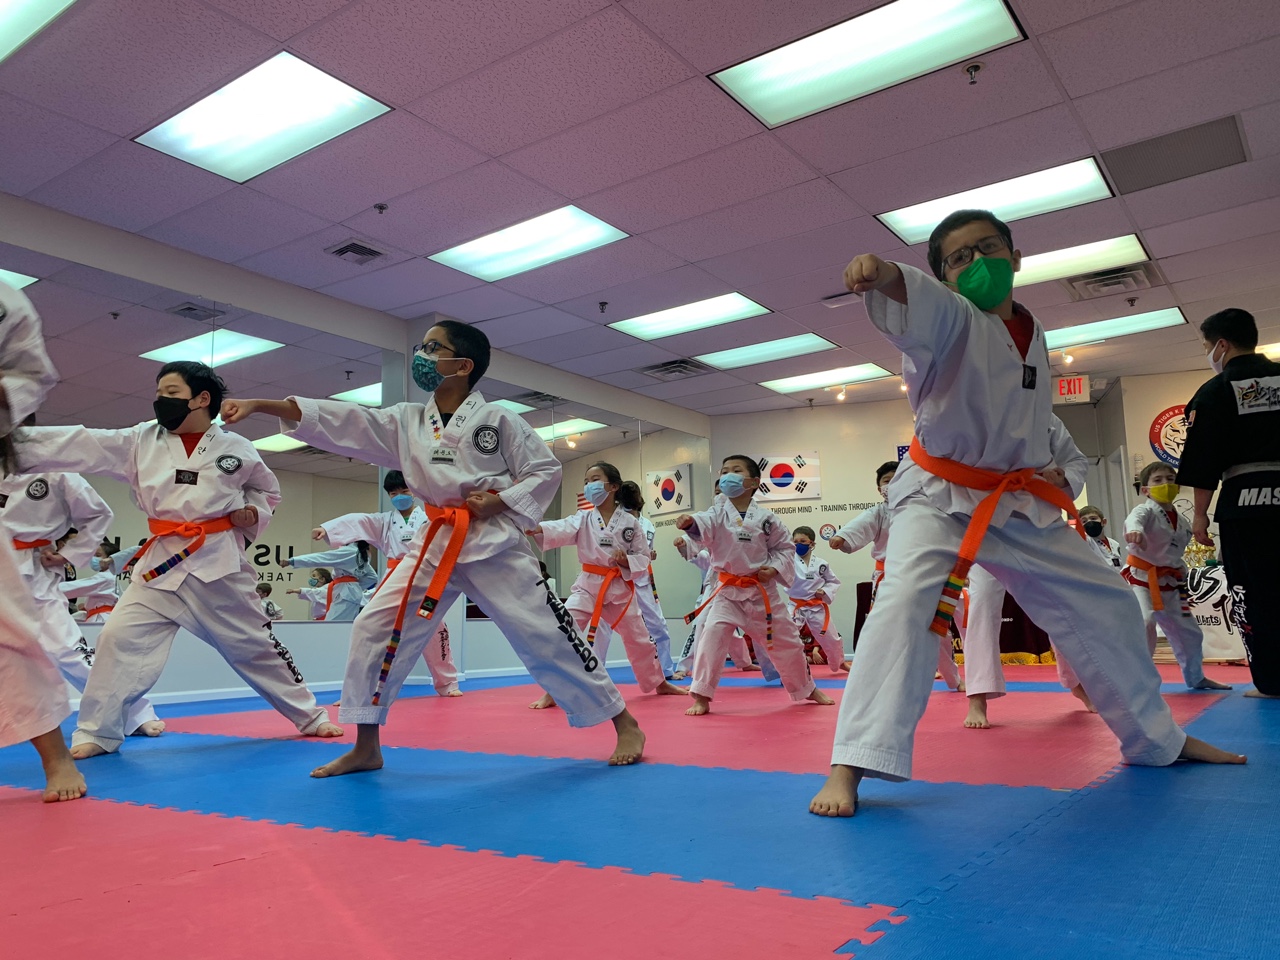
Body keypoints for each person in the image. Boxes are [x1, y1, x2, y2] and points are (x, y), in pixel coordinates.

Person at [810, 209, 1244, 818]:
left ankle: (1156, 741)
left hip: (1013, 500)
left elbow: (1038, 430)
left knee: (1112, 601)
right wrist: (885, 275)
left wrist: (1057, 476)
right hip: (937, 494)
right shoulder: (952, 318)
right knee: (905, 602)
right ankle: (850, 764)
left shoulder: (1034, 336)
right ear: (946, 277)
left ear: (1015, 257)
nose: (976, 262)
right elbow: (919, 298)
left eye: (988, 248)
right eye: (959, 257)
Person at [220, 319, 648, 772]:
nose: (422, 355)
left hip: (493, 544)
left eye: (432, 347)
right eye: (423, 346)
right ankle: (367, 744)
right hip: (434, 542)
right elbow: (347, 420)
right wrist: (261, 405)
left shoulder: (499, 419)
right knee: (372, 628)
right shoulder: (406, 420)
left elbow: (546, 472)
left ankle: (624, 723)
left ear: (462, 365)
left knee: (546, 633)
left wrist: (498, 501)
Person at [16, 360, 342, 759]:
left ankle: (310, 716)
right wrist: (13, 441)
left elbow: (267, 492)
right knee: (117, 639)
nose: (160, 401)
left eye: (171, 393)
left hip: (217, 564)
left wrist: (251, 513)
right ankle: (97, 732)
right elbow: (82, 441)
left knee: (255, 647)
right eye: (159, 393)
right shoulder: (140, 440)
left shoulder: (236, 448)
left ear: (201, 399)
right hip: (160, 567)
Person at [0, 276, 85, 801]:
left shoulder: (4, 296)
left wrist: (68, 555)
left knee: (10, 635)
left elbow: (30, 370)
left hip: (37, 565)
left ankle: (57, 759)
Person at [0, 467, 164, 737]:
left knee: (72, 654)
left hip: (32, 572)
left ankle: (136, 713)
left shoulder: (54, 470)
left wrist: (70, 553)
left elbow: (99, 513)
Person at [961, 416, 1095, 727]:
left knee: (1059, 606)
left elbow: (1074, 459)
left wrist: (1061, 480)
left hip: (1038, 523)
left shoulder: (1043, 417)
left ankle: (1077, 682)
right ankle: (977, 697)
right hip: (988, 524)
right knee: (981, 607)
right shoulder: (972, 409)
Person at [675, 455, 833, 716]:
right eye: (724, 470)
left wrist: (774, 569)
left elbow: (785, 548)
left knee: (788, 642)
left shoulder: (767, 518)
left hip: (762, 592)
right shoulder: (716, 513)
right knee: (711, 638)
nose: (727, 475)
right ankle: (701, 695)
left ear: (753, 482)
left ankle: (807, 688)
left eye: (736, 470)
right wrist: (690, 524)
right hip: (727, 593)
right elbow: (700, 525)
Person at [1176, 307, 1280, 698]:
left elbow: (1204, 460)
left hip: (1246, 500)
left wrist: (1199, 517)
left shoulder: (1215, 391)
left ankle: (1271, 681)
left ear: (1221, 344)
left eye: (1207, 345)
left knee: (1253, 591)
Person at [527, 464, 684, 709]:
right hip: (588, 586)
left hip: (619, 588)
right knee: (565, 630)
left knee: (640, 640)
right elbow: (561, 527)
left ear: (613, 486)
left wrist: (626, 561)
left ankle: (659, 682)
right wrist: (537, 528)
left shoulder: (631, 523)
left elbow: (643, 557)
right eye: (586, 481)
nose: (589, 485)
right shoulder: (583, 518)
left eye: (595, 479)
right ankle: (554, 690)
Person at [316, 470, 460, 696]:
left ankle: (447, 683)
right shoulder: (384, 521)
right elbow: (359, 520)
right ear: (389, 495)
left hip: (425, 578)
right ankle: (365, 689)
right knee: (372, 625)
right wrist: (328, 529)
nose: (400, 496)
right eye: (394, 493)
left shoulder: (431, 518)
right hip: (394, 577)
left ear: (414, 492)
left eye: (405, 491)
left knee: (435, 627)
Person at [829, 459, 956, 680]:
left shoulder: (926, 509)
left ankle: (950, 674)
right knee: (887, 627)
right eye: (887, 481)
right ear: (880, 489)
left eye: (898, 478)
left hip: (924, 575)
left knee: (938, 627)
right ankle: (888, 671)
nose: (893, 484)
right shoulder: (878, 512)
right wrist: (842, 537)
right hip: (890, 578)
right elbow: (860, 525)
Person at [1122, 462, 1231, 691]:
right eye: (1158, 480)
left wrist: (1197, 542)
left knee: (1190, 632)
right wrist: (1135, 531)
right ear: (1145, 490)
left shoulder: (1181, 521)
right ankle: (1138, 681)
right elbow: (1134, 520)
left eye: (1170, 479)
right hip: (1142, 580)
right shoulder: (1145, 511)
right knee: (1145, 622)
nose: (1165, 483)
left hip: (1171, 584)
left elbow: (1173, 553)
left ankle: (1196, 677)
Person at [672, 534, 767, 679]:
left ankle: (744, 662)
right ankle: (686, 667)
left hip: (733, 591)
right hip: (710, 594)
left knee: (732, 631)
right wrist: (684, 544)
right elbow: (697, 555)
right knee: (701, 625)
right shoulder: (710, 553)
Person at [617, 481, 676, 678]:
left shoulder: (648, 524)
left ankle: (666, 670)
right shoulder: (615, 520)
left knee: (658, 625)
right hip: (619, 579)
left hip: (643, 579)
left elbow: (647, 551)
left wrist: (651, 554)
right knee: (604, 629)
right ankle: (593, 671)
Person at [788, 526, 849, 673]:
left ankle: (839, 662)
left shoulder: (821, 564)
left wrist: (825, 590)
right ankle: (788, 669)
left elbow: (833, 582)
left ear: (812, 544)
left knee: (832, 638)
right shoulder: (788, 561)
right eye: (795, 542)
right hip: (795, 606)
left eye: (803, 541)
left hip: (816, 606)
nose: (798, 545)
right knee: (787, 637)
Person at [280, 540, 376, 620]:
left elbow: (321, 558)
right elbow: (372, 577)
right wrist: (355, 586)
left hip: (345, 593)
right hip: (351, 593)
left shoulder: (348, 551)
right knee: (343, 628)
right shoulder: (364, 554)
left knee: (332, 627)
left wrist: (293, 561)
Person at [1079, 505, 1123, 569]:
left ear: (1103, 522)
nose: (1089, 522)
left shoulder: (1115, 544)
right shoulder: (1086, 542)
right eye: (1084, 521)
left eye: (1093, 518)